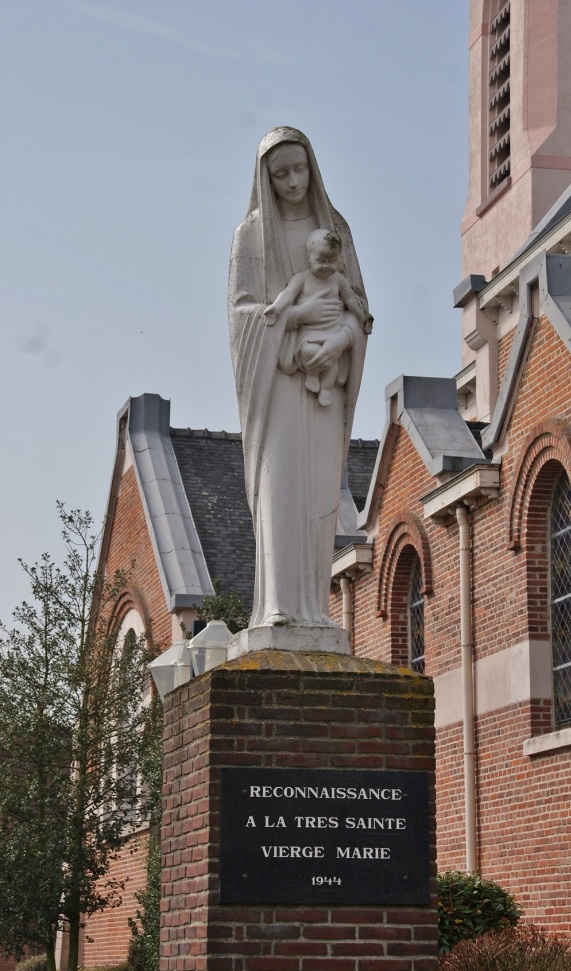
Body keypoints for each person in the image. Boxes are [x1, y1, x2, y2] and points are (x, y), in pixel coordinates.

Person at [228, 127, 370, 633]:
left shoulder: (337, 232)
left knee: (319, 491)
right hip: (279, 384)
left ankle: (317, 608)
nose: (291, 181)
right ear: (266, 178)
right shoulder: (251, 235)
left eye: (299, 169)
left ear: (313, 168)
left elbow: (360, 310)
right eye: (279, 173)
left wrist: (340, 341)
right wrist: (293, 320)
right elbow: (244, 313)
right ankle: (277, 605)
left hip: (326, 386)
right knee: (279, 483)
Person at [263, 228, 373, 407]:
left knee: (331, 363)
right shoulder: (302, 278)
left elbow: (351, 299)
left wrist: (364, 316)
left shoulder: (338, 280)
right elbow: (288, 294)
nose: (326, 266)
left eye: (332, 261)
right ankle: (312, 374)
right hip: (310, 333)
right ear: (308, 257)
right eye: (321, 260)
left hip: (332, 331)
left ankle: (326, 389)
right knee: (309, 352)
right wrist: (276, 308)